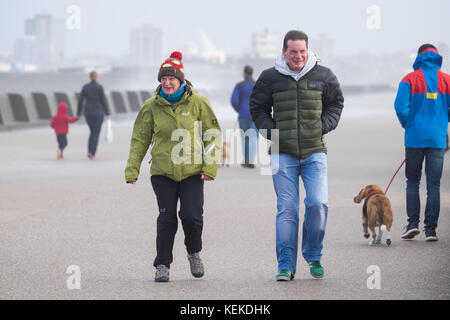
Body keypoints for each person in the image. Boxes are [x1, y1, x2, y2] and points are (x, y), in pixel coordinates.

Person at [250, 30, 344, 281]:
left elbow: (336, 103)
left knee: (318, 203)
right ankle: (285, 265)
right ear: (284, 52)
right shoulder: (270, 77)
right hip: (283, 153)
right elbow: (257, 107)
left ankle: (313, 255)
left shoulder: (323, 75)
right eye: (293, 51)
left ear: (308, 50)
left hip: (315, 152)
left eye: (302, 51)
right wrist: (273, 132)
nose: (298, 56)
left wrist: (321, 126)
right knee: (287, 209)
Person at [124, 51, 222, 282]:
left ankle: (194, 251)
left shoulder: (198, 103)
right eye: (163, 79)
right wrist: (132, 168)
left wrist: (210, 167)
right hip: (162, 172)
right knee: (167, 219)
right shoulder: (151, 107)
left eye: (171, 78)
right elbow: (140, 138)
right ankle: (162, 265)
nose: (167, 82)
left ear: (181, 80)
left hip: (192, 172)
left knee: (191, 217)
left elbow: (212, 134)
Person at [395, 44, 450, 242]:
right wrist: (443, 121)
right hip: (437, 139)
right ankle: (431, 230)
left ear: (419, 57)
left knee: (413, 182)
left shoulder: (409, 79)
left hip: (414, 138)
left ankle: (412, 225)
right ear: (436, 56)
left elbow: (400, 108)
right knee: (433, 185)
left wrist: (409, 125)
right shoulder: (447, 80)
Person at [77, 71, 111, 160]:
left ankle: (89, 151)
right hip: (98, 112)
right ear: (97, 77)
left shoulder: (85, 87)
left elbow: (80, 100)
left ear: (90, 77)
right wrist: (107, 113)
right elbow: (104, 100)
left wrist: (78, 113)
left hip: (88, 112)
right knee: (95, 133)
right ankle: (92, 153)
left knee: (92, 132)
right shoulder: (100, 87)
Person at [231, 65, 258, 168]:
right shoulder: (257, 85)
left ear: (244, 73)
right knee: (253, 137)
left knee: (245, 137)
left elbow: (234, 100)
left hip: (243, 114)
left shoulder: (239, 85)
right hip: (255, 115)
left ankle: (247, 159)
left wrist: (239, 109)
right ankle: (250, 159)